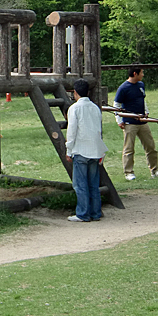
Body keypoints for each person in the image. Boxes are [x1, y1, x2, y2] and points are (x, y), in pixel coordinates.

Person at [65, 79, 108, 222]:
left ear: (75, 93)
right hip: (95, 149)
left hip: (80, 149)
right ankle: (95, 212)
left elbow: (72, 131)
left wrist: (68, 149)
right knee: (93, 184)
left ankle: (82, 213)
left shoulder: (74, 108)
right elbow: (98, 129)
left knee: (80, 184)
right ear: (88, 92)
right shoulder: (95, 107)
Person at [113, 66, 158, 181]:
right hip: (129, 123)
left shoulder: (141, 85)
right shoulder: (123, 88)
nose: (143, 75)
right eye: (141, 72)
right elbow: (116, 105)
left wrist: (146, 111)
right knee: (129, 149)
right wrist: (119, 121)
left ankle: (155, 170)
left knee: (151, 146)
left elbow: (142, 99)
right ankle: (128, 172)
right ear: (135, 73)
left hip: (142, 122)